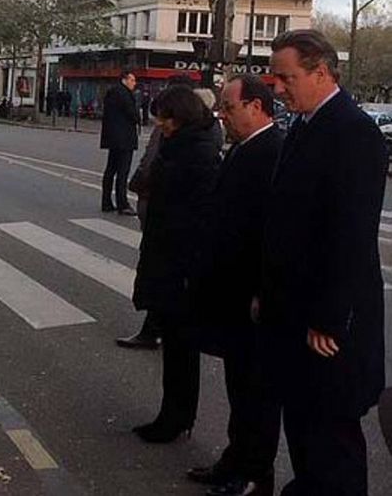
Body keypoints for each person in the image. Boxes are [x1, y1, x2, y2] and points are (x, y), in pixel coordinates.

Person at [261, 29, 387, 496]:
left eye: (286, 77)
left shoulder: (353, 133)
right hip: (294, 312)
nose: (277, 87)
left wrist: (329, 321)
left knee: (332, 435)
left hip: (329, 326)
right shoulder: (306, 124)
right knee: (305, 424)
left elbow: (350, 236)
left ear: (321, 72)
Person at [187, 74, 283, 496]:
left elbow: (270, 232)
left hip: (250, 295)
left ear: (256, 108)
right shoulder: (246, 148)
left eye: (229, 107)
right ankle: (235, 458)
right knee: (238, 387)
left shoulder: (271, 152)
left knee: (255, 393)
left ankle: (254, 473)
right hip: (230, 290)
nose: (221, 115)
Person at [131, 85, 220, 443]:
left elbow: (198, 218)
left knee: (182, 349)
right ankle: (173, 414)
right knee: (176, 347)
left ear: (180, 116)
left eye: (164, 118)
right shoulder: (180, 147)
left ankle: (176, 417)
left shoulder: (197, 155)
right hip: (168, 257)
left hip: (180, 265)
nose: (160, 125)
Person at [118, 76, 198, 350]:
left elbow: (152, 160)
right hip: (155, 207)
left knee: (165, 277)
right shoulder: (175, 130)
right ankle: (154, 326)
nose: (159, 123)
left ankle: (155, 328)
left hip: (167, 221)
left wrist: (141, 181)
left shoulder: (188, 140)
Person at [100, 70, 141, 216]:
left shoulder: (112, 92)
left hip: (113, 137)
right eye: (132, 80)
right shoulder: (124, 94)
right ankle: (122, 203)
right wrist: (138, 116)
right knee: (122, 172)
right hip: (124, 138)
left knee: (111, 169)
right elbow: (133, 114)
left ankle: (106, 201)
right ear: (125, 80)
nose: (134, 83)